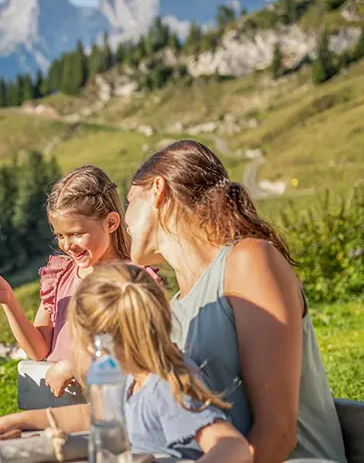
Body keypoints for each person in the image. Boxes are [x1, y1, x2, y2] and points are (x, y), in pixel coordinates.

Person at [124, 139, 346, 463]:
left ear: (158, 190)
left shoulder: (248, 261)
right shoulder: (173, 308)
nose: (124, 217)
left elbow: (278, 433)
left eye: (129, 200)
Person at [0, 263, 253, 462]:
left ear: (101, 344)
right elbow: (92, 415)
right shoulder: (131, 375)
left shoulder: (164, 384)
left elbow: (234, 447)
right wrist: (16, 422)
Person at [0, 166, 160, 398]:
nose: (67, 245)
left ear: (111, 223)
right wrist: (8, 301)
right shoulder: (60, 277)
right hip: (57, 403)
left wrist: (72, 365)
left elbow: (141, 347)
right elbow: (38, 349)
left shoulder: (136, 279)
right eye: (60, 236)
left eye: (77, 234)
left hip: (112, 406)